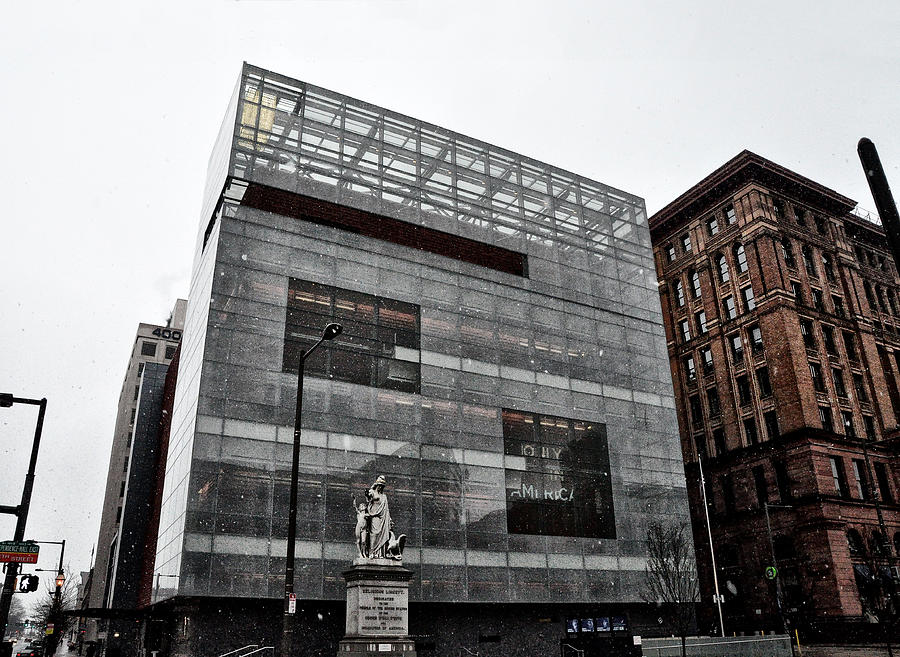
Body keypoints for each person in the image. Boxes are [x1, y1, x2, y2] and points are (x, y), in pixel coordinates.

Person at [365, 475, 391, 558]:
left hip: (382, 518)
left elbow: (386, 509)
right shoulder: (372, 492)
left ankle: (379, 554)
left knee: (381, 534)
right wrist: (369, 494)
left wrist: (389, 519)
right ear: (377, 485)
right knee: (374, 534)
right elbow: (368, 499)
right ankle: (371, 552)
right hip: (374, 516)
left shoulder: (384, 496)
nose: (380, 488)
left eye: (382, 486)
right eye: (379, 485)